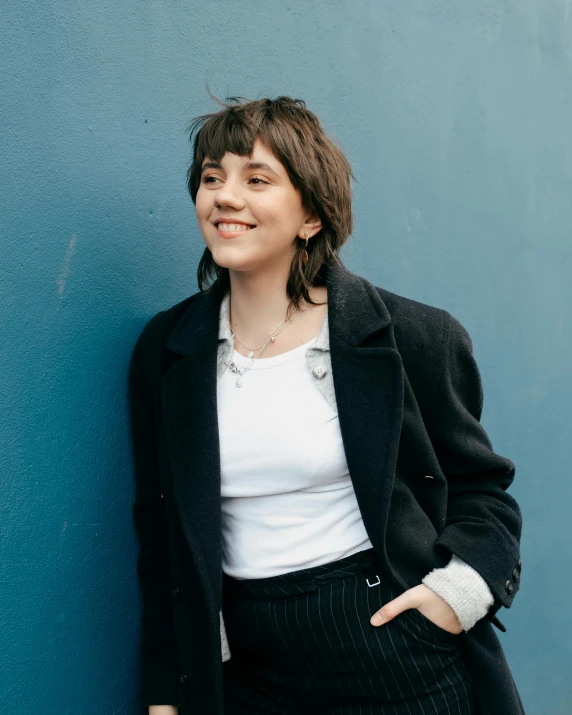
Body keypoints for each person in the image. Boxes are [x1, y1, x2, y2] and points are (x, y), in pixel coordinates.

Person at [128, 95, 524, 715]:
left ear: (311, 215)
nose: (225, 197)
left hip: (396, 652)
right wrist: (166, 689)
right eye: (212, 178)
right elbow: (161, 536)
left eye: (257, 179)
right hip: (248, 675)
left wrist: (457, 595)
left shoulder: (413, 337)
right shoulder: (167, 351)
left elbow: (482, 490)